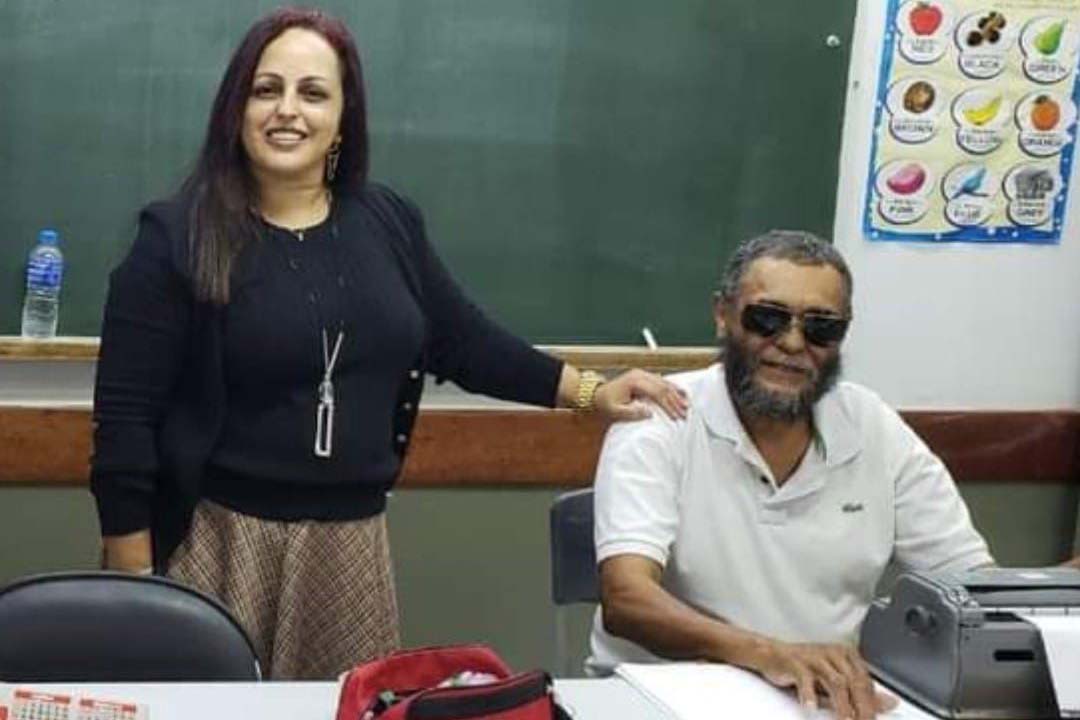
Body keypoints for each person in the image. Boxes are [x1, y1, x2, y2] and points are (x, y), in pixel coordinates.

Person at [90, 7, 687, 680]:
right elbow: (125, 425)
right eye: (267, 89)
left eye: (313, 93)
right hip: (220, 545)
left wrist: (590, 393)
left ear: (343, 119)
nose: (288, 110)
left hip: (350, 552)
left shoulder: (388, 223)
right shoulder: (175, 237)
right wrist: (136, 585)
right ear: (236, 108)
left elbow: (464, 340)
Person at [587, 230, 997, 719]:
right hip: (660, 700)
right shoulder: (661, 418)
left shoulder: (873, 425)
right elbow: (627, 599)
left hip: (818, 702)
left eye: (822, 327)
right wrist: (769, 655)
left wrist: (1051, 591)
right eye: (767, 318)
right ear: (722, 314)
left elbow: (970, 587)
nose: (792, 342)